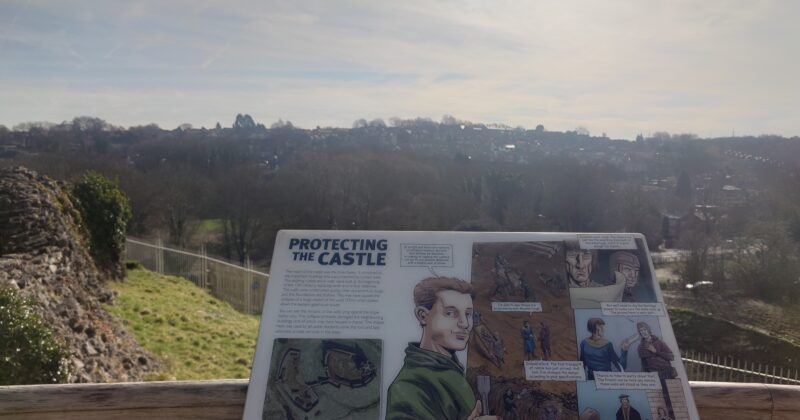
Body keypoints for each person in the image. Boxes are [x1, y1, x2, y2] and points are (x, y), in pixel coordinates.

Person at [386, 277, 498, 420]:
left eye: (468, 314)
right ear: (423, 316)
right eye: (450, 313)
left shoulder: (448, 369)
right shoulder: (410, 386)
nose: (464, 324)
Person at [565, 242, 625, 307]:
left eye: (586, 255)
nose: (580, 265)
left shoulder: (604, 291)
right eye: (572, 255)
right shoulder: (559, 292)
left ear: (593, 258)